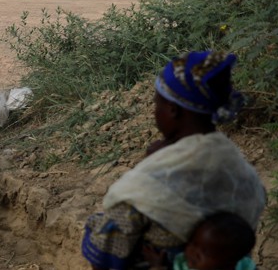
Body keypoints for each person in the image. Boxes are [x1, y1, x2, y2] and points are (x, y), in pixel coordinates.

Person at [82, 51, 266, 269]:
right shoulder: (242, 173)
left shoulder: (149, 186)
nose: (154, 112)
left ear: (172, 110)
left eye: (156, 104)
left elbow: (106, 257)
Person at [143, 212, 256, 270]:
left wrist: (156, 267)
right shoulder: (183, 262)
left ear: (230, 264)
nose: (192, 252)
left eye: (205, 252)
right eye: (193, 243)